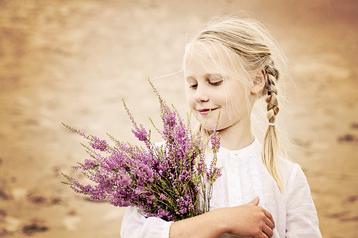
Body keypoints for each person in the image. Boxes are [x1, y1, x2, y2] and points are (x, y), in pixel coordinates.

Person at [120, 16, 322, 238]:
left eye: (214, 81)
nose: (200, 95)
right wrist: (222, 220)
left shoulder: (287, 177)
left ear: (255, 81)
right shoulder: (164, 161)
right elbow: (134, 233)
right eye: (193, 84)